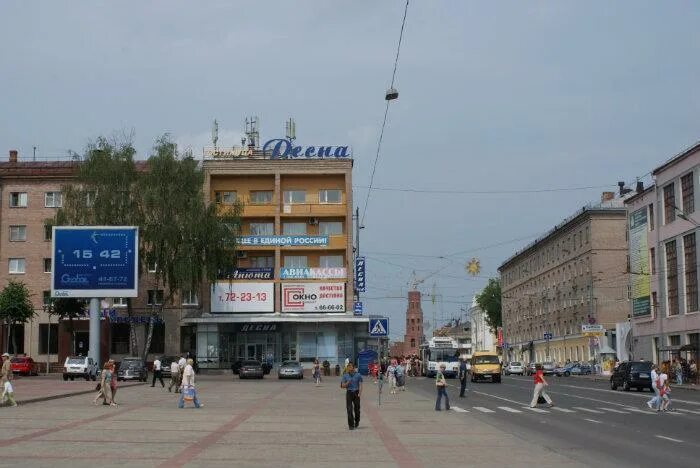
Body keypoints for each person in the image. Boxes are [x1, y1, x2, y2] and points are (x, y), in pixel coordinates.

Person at [340, 362, 362, 430]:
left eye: (351, 366)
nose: (349, 367)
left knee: (357, 409)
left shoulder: (358, 375)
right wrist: (347, 383)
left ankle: (357, 421)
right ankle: (351, 425)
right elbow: (342, 386)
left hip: (356, 393)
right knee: (349, 409)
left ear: (354, 367)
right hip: (349, 393)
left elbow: (360, 385)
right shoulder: (345, 375)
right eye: (348, 366)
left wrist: (360, 393)